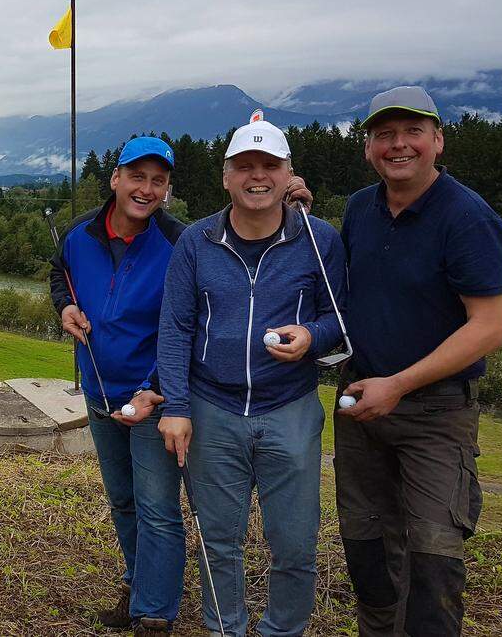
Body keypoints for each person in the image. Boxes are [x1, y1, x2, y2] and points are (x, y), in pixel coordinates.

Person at [50, 135, 313, 635]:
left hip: (156, 396)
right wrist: (63, 305)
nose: (146, 189)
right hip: (99, 390)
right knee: (123, 501)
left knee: (157, 508)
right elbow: (59, 276)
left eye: (158, 180)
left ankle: (155, 612)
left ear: (168, 188)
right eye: (137, 177)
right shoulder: (76, 234)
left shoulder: (181, 241)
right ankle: (138, 585)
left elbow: (186, 326)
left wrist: (288, 195)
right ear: (115, 179)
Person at [156, 118, 344, 636]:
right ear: (225, 176)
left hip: (290, 406)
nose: (256, 177)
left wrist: (311, 335)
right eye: (244, 167)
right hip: (212, 407)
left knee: (296, 542)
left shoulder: (318, 238)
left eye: (269, 166)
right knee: (218, 539)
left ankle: (283, 630)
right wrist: (175, 407)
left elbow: (338, 318)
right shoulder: (197, 241)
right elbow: (174, 328)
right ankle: (225, 629)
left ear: (288, 175)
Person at [333, 86, 502, 636]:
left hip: (435, 416)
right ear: (368, 148)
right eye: (384, 135)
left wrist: (400, 384)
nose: (398, 145)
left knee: (433, 563)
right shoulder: (361, 209)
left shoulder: (466, 217)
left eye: (412, 132)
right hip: (361, 408)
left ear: (437, 141)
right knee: (366, 553)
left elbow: (489, 327)